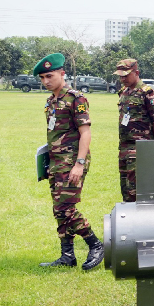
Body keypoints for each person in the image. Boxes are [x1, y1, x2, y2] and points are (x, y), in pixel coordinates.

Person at [34, 53, 105, 270]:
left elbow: (86, 133)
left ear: (62, 73)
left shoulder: (76, 98)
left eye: (50, 76)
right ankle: (67, 256)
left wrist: (79, 164)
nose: (46, 81)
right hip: (56, 162)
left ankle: (95, 244)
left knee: (65, 208)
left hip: (72, 161)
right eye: (42, 77)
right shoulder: (51, 101)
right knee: (59, 210)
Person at [114, 58, 154, 202]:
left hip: (141, 149)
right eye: (120, 76)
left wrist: (152, 145)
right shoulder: (123, 92)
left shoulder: (147, 93)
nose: (122, 79)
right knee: (125, 190)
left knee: (137, 192)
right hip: (124, 148)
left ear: (137, 73)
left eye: (126, 75)